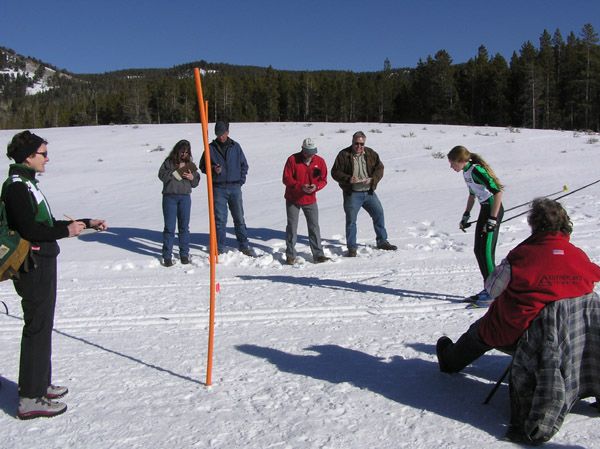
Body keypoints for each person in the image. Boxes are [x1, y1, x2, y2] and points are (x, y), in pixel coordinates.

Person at [2, 131, 108, 419]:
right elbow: (31, 230)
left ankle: (39, 384)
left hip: (42, 261)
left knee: (43, 324)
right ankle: (30, 398)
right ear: (28, 156)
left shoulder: (26, 184)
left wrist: (85, 222)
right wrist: (66, 231)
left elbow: (44, 223)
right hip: (32, 264)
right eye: (43, 153)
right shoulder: (16, 187)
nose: (47, 158)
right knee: (36, 326)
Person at [436, 198, 600, 374]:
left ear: (534, 225)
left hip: (522, 336)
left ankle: (450, 361)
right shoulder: (578, 256)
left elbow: (492, 289)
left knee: (483, 330)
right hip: (571, 337)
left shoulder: (521, 256)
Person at [447, 145, 504, 307]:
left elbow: (498, 192)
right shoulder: (466, 171)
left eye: (452, 163)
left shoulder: (477, 170)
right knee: (478, 250)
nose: (451, 167)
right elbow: (472, 194)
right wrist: (466, 214)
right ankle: (489, 288)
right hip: (485, 209)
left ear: (461, 161)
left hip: (493, 210)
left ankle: (495, 293)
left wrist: (493, 218)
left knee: (486, 252)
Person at [331, 131, 397, 257]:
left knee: (379, 214)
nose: (359, 146)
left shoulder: (371, 153)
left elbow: (380, 168)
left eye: (362, 144)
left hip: (369, 192)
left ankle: (382, 241)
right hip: (352, 193)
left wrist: (373, 179)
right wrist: (348, 179)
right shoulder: (344, 154)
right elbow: (335, 172)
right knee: (351, 221)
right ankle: (352, 248)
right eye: (357, 143)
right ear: (352, 142)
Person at [200, 121, 255, 257]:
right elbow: (202, 166)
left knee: (239, 218)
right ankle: (219, 247)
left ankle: (244, 245)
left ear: (227, 132)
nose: (221, 137)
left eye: (223, 134)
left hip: (235, 187)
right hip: (218, 188)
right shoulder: (210, 148)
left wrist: (240, 180)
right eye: (218, 134)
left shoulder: (235, 147)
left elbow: (244, 165)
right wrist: (213, 169)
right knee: (220, 219)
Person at [282, 138, 330, 265]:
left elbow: (323, 179)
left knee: (314, 227)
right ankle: (290, 255)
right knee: (292, 227)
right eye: (308, 152)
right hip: (293, 199)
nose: (310, 155)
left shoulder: (320, 161)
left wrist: (316, 187)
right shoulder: (292, 159)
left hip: (310, 199)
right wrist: (300, 186)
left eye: (312, 152)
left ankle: (318, 254)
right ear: (302, 149)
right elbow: (286, 179)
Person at [158, 139, 200, 266]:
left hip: (185, 198)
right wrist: (176, 172)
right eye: (182, 151)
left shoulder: (190, 165)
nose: (184, 154)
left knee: (184, 228)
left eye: (187, 152)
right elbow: (161, 175)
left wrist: (192, 178)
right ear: (177, 150)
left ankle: (184, 254)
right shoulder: (168, 162)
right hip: (169, 197)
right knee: (169, 228)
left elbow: (196, 182)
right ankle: (167, 256)